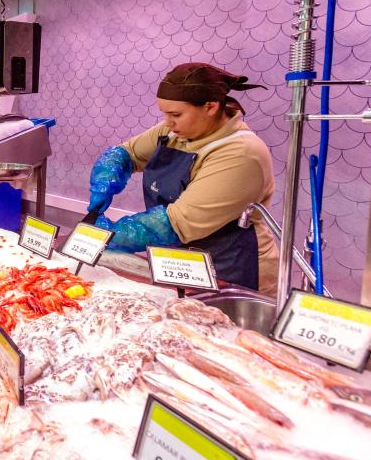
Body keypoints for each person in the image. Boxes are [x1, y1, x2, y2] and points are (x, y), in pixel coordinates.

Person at [87, 62, 279, 294]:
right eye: (165, 114)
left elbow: (178, 222)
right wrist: (106, 177)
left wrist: (112, 235)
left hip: (231, 270)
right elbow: (128, 153)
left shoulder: (242, 153)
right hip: (181, 263)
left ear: (210, 106)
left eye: (176, 114)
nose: (168, 122)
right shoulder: (173, 132)